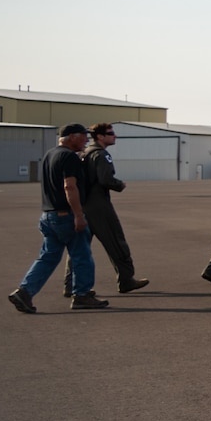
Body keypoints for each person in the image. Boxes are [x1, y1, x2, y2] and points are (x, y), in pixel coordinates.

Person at [6, 123, 109, 313]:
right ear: (72, 136)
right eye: (83, 136)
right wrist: (78, 215)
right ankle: (82, 295)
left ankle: (24, 292)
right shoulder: (69, 157)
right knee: (82, 256)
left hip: (48, 215)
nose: (87, 140)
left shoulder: (50, 154)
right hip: (65, 216)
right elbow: (69, 187)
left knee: (48, 257)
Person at [63, 123, 148, 296]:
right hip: (99, 205)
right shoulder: (101, 155)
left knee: (79, 247)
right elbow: (105, 179)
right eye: (110, 133)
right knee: (116, 242)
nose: (114, 136)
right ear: (100, 136)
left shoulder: (84, 153)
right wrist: (119, 184)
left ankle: (70, 285)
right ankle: (126, 280)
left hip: (83, 204)